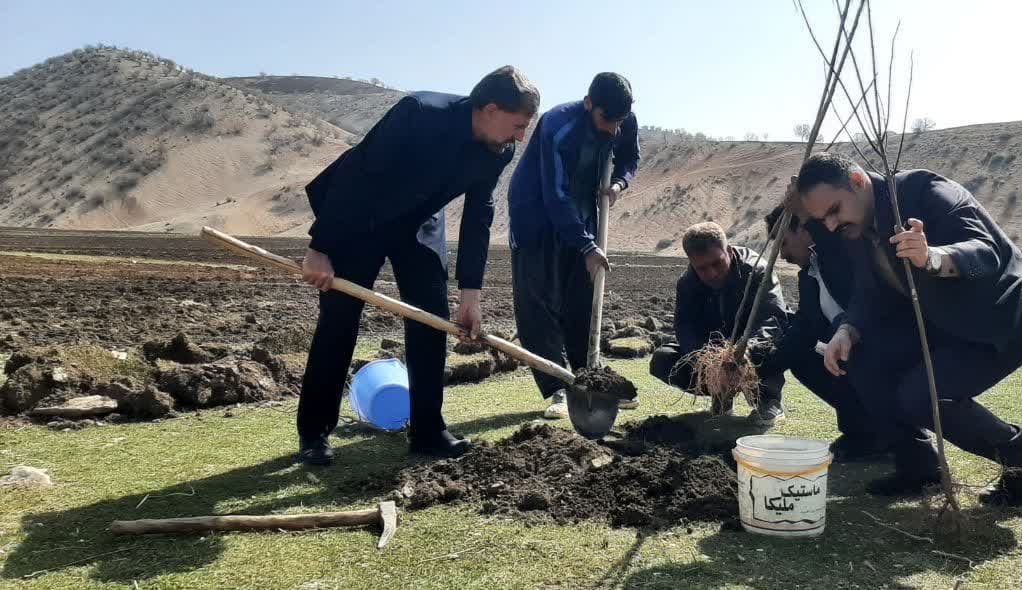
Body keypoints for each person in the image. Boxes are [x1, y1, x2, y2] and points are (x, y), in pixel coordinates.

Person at [296, 66, 540, 465]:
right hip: (362, 218)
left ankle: (428, 431)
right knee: (340, 317)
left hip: (419, 223)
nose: (520, 137)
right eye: (518, 125)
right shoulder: (419, 113)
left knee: (431, 318)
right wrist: (320, 246)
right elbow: (358, 176)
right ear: (491, 109)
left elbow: (479, 215)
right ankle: (314, 432)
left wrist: (471, 295)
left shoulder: (499, 150)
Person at [793, 152, 1022, 506]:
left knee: (921, 395)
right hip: (943, 325)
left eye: (834, 211)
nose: (830, 226)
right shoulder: (857, 228)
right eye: (821, 219)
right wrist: (848, 329)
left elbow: (986, 252)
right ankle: (919, 468)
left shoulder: (925, 191)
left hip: (1004, 319)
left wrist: (931, 257)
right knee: (862, 359)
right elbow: (869, 290)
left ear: (857, 182)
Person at [507, 72, 640, 419]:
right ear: (588, 104)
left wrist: (619, 184)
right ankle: (558, 387)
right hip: (536, 214)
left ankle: (588, 380)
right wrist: (586, 246)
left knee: (581, 299)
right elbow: (555, 194)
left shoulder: (623, 120)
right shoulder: (557, 125)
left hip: (581, 211)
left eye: (620, 121)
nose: (613, 128)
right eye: (606, 119)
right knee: (537, 306)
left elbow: (630, 158)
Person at [756, 205, 887, 461]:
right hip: (849, 353)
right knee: (804, 360)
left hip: (878, 349)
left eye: (784, 243)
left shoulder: (841, 256)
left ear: (803, 230)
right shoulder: (809, 275)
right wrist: (759, 368)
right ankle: (861, 431)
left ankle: (886, 432)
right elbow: (806, 329)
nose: (783, 255)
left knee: (843, 349)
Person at [649, 222, 789, 426]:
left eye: (717, 263)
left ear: (729, 251)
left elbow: (772, 320)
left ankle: (768, 399)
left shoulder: (758, 271)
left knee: (781, 341)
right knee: (663, 359)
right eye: (702, 268)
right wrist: (707, 363)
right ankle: (721, 395)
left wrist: (745, 352)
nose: (712, 273)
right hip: (714, 353)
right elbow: (685, 328)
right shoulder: (687, 283)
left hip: (751, 349)